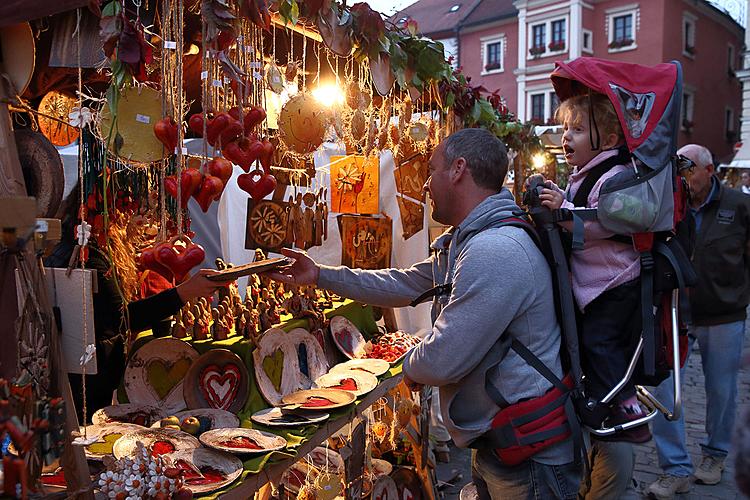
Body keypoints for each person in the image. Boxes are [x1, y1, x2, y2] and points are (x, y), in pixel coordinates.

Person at [267, 128, 580, 498]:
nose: (426, 185)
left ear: (459, 169)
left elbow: (442, 359)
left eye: (432, 170)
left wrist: (412, 365)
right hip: (507, 442)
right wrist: (318, 275)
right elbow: (403, 284)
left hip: (530, 455)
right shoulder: (470, 240)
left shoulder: (495, 249)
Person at [46, 186, 231, 421]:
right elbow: (124, 318)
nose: (132, 218)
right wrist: (184, 292)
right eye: (125, 211)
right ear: (108, 213)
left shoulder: (71, 244)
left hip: (75, 365)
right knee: (84, 433)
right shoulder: (89, 254)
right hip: (88, 374)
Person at [539, 93, 649, 443]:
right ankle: (605, 398)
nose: (567, 137)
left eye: (579, 129)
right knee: (589, 343)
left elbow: (606, 221)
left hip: (615, 279)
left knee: (600, 342)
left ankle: (629, 409)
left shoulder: (615, 176)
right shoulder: (582, 174)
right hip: (596, 279)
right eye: (566, 129)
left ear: (611, 140)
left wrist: (564, 209)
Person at [647, 144, 750, 499]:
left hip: (724, 314)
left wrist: (738, 293)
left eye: (689, 168)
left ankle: (714, 455)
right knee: (664, 389)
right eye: (680, 167)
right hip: (677, 312)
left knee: (721, 390)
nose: (684, 175)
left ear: (709, 170)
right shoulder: (671, 202)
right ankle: (675, 468)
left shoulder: (739, 205)